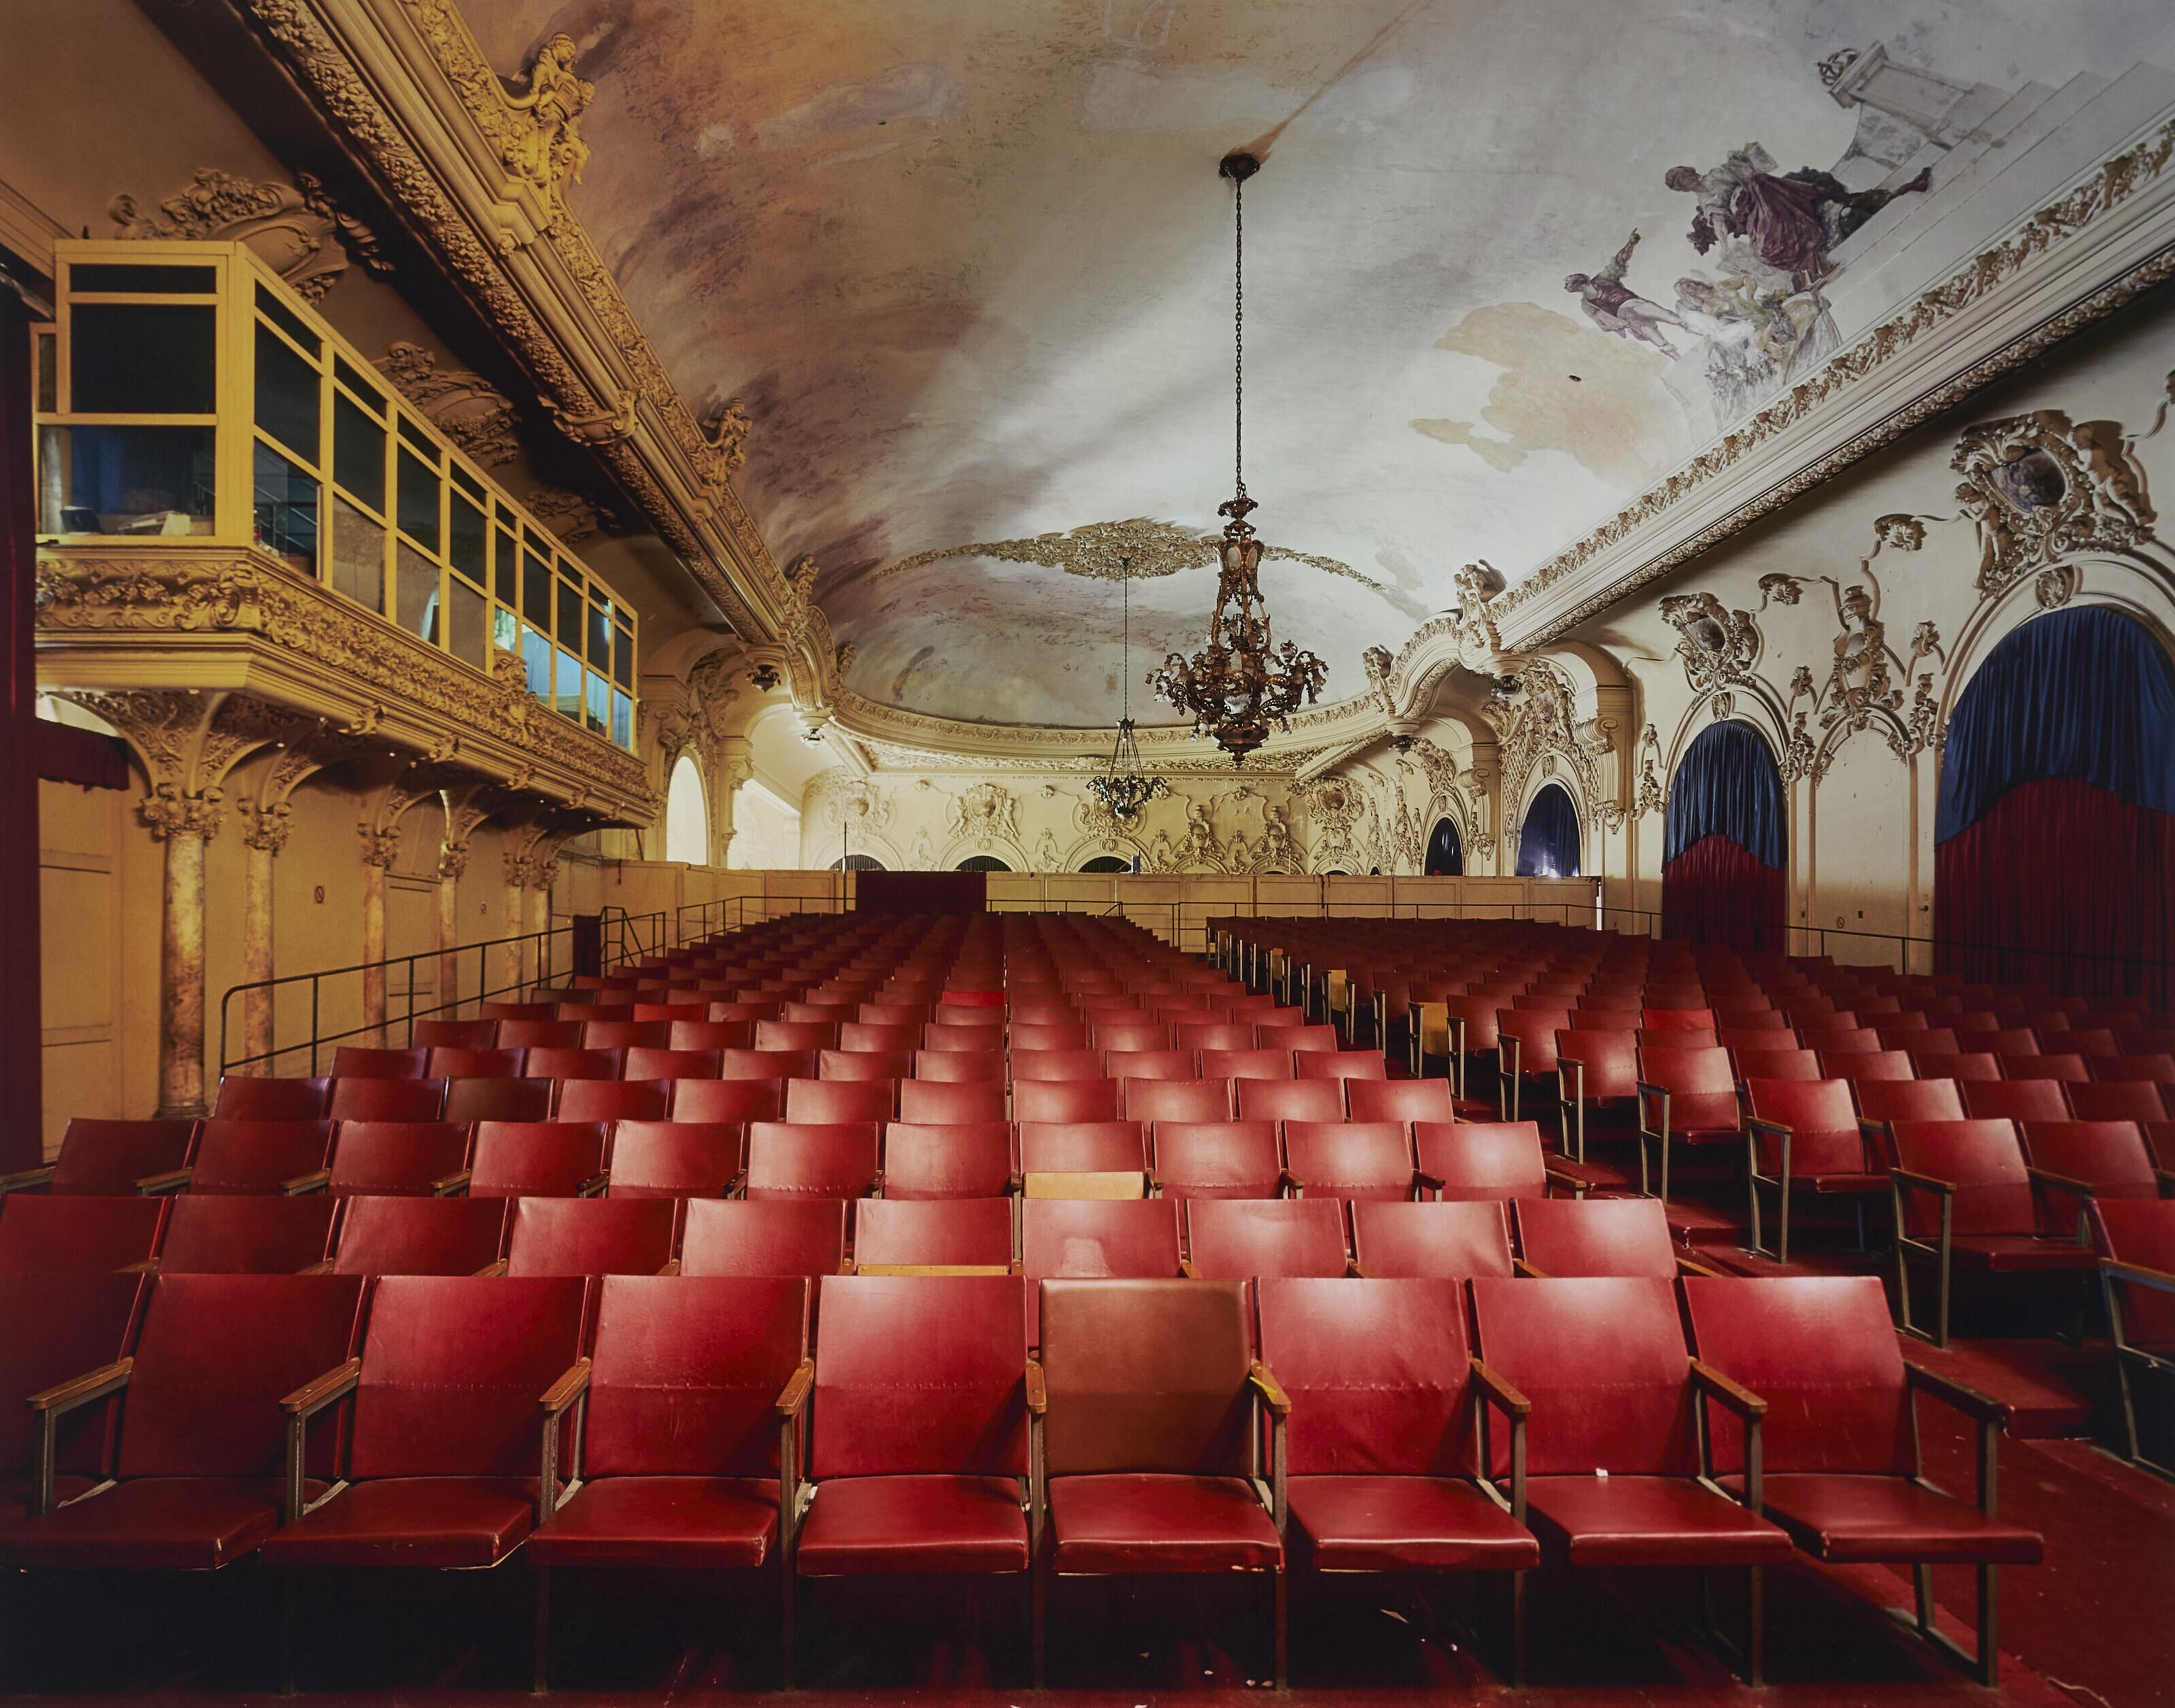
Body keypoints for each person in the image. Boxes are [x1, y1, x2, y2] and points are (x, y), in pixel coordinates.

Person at [1665, 145, 1932, 283]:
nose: (1686, 179)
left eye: (1684, 174)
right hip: (1749, 213)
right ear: (1681, 189)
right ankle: (1809, 253)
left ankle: (1900, 191)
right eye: (1680, 182)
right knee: (1765, 249)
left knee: (1759, 182)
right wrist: (1724, 249)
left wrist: (1739, 159)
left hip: (1760, 192)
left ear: (1690, 171)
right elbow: (1719, 222)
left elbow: (1749, 173)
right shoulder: (1705, 202)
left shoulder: (1717, 174)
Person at [1563, 228, 1686, 357]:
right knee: (1659, 341)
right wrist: (1619, 328)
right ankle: (1679, 359)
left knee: (1672, 318)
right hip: (1627, 318)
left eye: (1567, 283)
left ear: (1577, 283)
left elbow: (1619, 261)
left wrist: (1631, 244)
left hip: (1633, 305)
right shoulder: (1586, 304)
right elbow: (1601, 320)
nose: (1566, 286)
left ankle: (1697, 329)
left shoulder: (1602, 279)